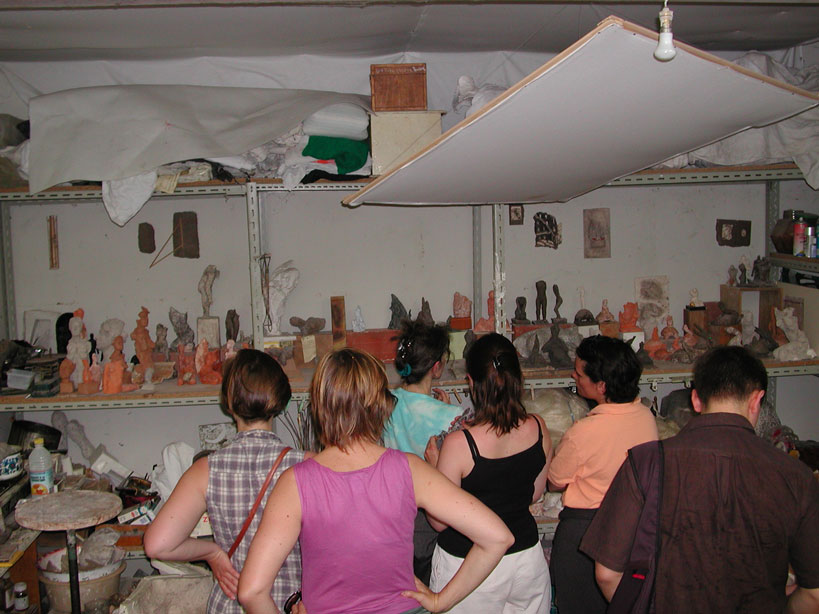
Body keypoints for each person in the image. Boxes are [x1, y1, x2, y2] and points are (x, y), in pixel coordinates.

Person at [238, 348, 513, 614]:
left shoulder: (295, 482)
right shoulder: (410, 469)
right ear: (381, 404)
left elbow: (252, 591)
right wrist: (441, 601)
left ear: (320, 406)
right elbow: (497, 537)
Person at [581, 345, 819, 613]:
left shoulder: (647, 462)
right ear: (757, 400)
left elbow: (607, 574)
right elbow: (814, 595)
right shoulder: (796, 476)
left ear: (695, 400)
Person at [144, 349, 306, 613]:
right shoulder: (307, 465)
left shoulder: (206, 469)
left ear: (228, 403)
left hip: (229, 604)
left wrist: (212, 553)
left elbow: (157, 544)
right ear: (281, 401)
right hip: (291, 604)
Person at [428, 332, 553, 614]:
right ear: (517, 378)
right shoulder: (538, 427)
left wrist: (434, 470)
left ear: (472, 383)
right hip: (525, 560)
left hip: (468, 566)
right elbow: (534, 493)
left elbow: (439, 522)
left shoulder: (459, 444)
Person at [546, 335, 658, 614]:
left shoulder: (584, 432)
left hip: (586, 533)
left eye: (579, 373)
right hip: (634, 528)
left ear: (602, 386)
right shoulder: (646, 417)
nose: (574, 376)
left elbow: (555, 481)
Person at [382, 319, 468, 585]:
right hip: (430, 517)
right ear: (437, 367)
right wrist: (445, 410)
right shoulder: (452, 417)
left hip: (392, 511)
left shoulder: (382, 405)